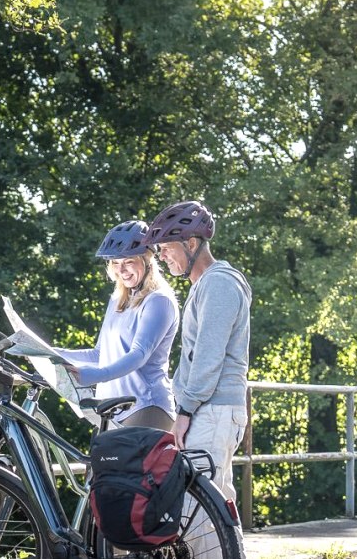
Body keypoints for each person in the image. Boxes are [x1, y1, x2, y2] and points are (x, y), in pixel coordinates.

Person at [146, 200, 251, 509]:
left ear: (191, 243)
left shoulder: (218, 284)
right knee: (218, 508)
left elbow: (208, 358)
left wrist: (185, 412)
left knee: (199, 513)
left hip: (212, 409)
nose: (162, 257)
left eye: (166, 248)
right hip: (211, 409)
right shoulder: (205, 284)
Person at [54, 221, 179, 432]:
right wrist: (51, 353)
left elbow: (138, 355)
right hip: (110, 408)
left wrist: (90, 376)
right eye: (115, 263)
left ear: (147, 261)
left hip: (145, 406)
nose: (122, 270)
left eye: (129, 261)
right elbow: (100, 354)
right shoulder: (118, 299)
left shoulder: (158, 300)